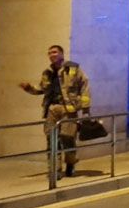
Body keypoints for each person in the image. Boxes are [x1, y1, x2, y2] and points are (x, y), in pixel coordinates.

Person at [20, 44, 90, 177]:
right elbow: (41, 89)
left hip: (68, 109)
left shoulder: (73, 68)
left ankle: (70, 163)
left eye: (55, 52)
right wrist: (28, 88)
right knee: (51, 139)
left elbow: (85, 85)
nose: (52, 55)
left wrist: (85, 108)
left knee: (68, 137)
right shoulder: (47, 73)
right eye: (49, 53)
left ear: (62, 54)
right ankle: (55, 169)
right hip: (51, 108)